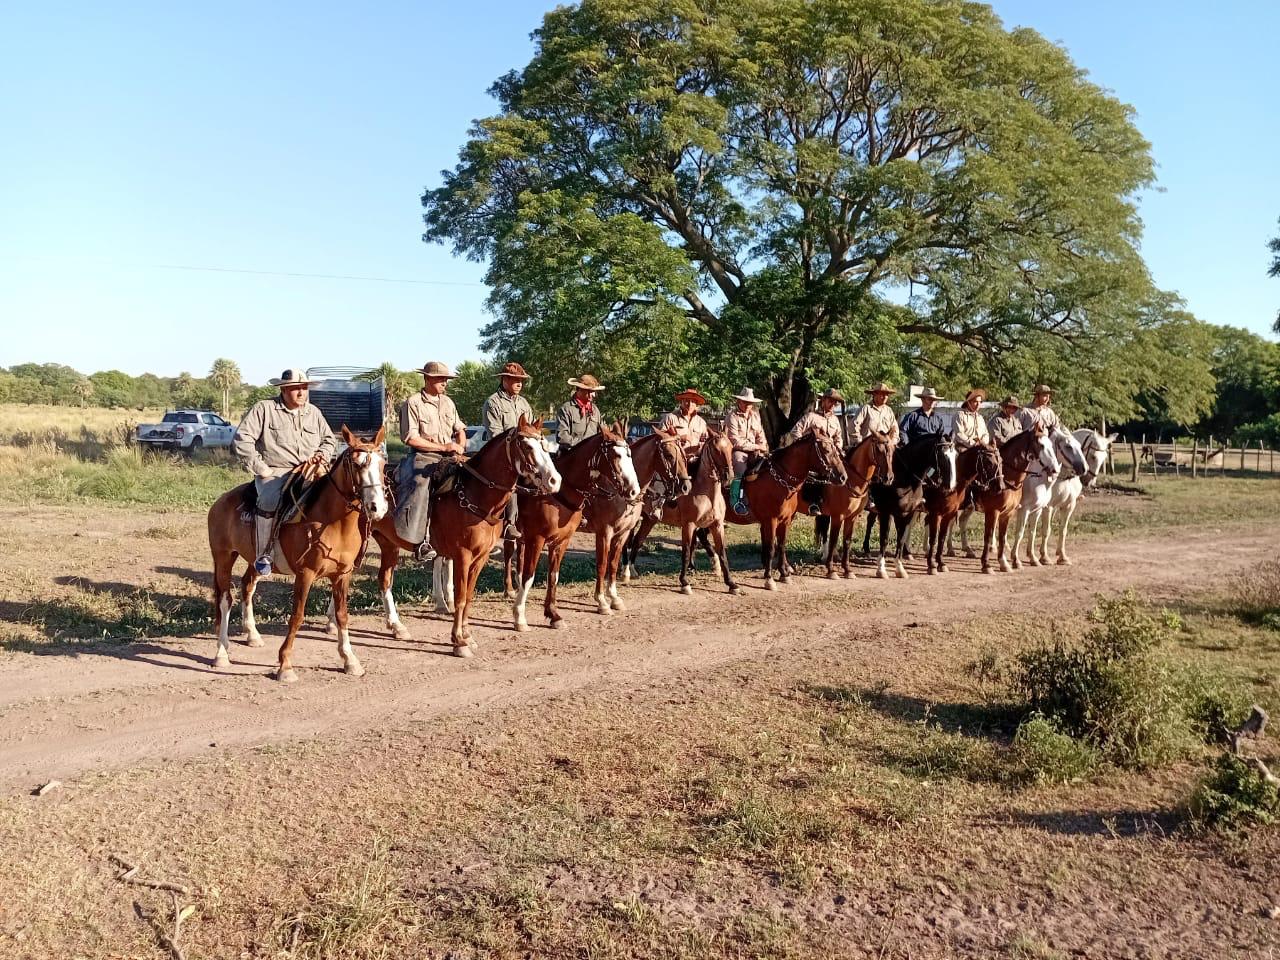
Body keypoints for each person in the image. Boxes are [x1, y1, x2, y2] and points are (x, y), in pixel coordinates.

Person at [233, 367, 337, 575]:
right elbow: (242, 440)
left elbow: (330, 440)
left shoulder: (313, 412)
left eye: (304, 387)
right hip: (277, 471)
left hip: (311, 469)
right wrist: (261, 468)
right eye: (295, 388)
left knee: (338, 495)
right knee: (270, 500)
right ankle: (264, 555)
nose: (301, 392)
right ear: (283, 389)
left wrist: (322, 455)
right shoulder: (265, 409)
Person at [396, 361, 466, 561]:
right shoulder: (413, 402)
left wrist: (460, 445)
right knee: (421, 482)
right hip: (423, 456)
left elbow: (459, 429)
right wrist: (444, 447)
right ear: (427, 379)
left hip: (450, 455)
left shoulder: (448, 402)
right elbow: (410, 438)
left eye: (446, 379)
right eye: (440, 379)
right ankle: (420, 541)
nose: (445, 383)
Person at [480, 361, 535, 541]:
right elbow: (495, 434)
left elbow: (531, 429)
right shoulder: (493, 402)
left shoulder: (524, 404)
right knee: (510, 478)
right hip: (500, 455)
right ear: (504, 379)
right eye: (515, 380)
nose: (519, 383)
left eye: (521, 380)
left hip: (523, 453)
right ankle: (510, 523)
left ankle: (536, 518)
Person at [783, 388, 844, 516]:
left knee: (844, 469)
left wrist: (837, 449)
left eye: (835, 402)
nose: (832, 404)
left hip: (830, 455)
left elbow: (838, 438)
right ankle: (813, 503)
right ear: (823, 401)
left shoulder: (835, 420)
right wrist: (803, 448)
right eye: (830, 401)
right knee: (815, 473)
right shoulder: (811, 417)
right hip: (812, 456)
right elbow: (796, 431)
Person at [725, 387, 767, 515]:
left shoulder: (755, 416)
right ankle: (736, 499)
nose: (748, 405)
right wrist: (756, 447)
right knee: (739, 463)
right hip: (738, 450)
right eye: (745, 402)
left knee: (767, 466)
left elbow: (761, 435)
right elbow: (735, 441)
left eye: (750, 403)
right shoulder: (732, 417)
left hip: (756, 450)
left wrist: (762, 446)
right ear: (739, 402)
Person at [658, 388, 709, 460]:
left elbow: (704, 442)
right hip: (675, 461)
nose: (690, 404)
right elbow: (659, 439)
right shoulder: (670, 418)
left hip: (697, 461)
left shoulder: (701, 422)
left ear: (696, 405)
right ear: (681, 402)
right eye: (687, 401)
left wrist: (704, 442)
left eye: (693, 401)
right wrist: (679, 437)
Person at [556, 374, 605, 448]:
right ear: (579, 390)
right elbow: (562, 436)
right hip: (571, 455)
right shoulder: (566, 409)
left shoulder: (595, 409)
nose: (594, 395)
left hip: (592, 455)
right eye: (590, 391)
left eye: (594, 392)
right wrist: (584, 444)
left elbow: (603, 432)